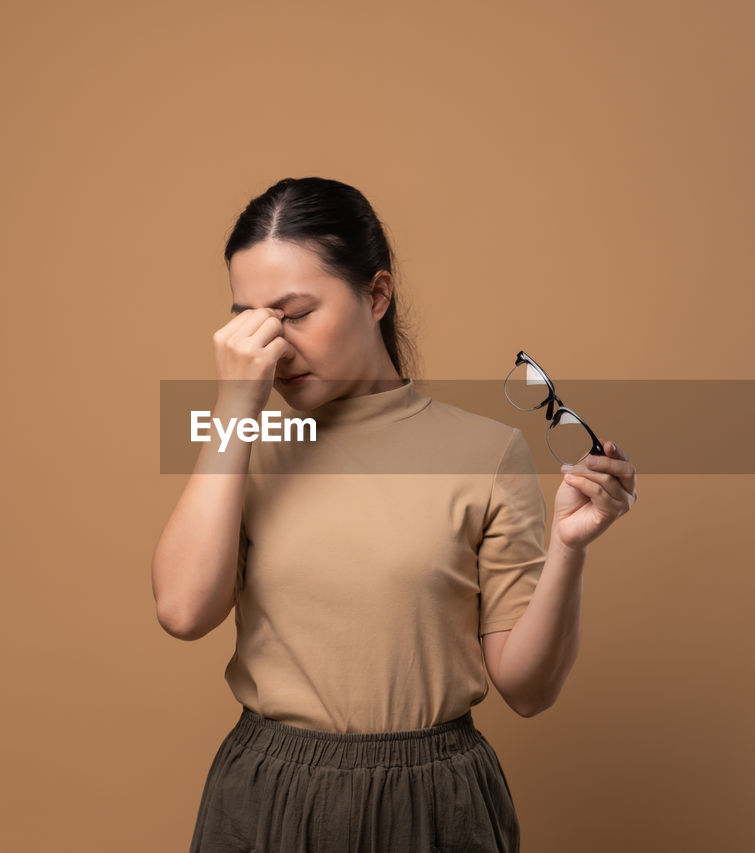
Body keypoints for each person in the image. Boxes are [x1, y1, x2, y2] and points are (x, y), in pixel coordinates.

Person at [152, 177, 638, 853]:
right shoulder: (243, 445)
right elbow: (181, 610)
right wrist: (234, 410)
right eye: (248, 320)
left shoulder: (483, 451)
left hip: (434, 802)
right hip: (270, 796)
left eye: (294, 314)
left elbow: (527, 688)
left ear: (375, 296)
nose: (273, 346)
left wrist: (570, 546)